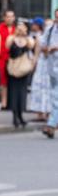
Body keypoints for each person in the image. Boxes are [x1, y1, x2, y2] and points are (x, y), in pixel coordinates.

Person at [5, 20, 35, 128]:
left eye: (23, 27)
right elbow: (7, 46)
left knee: (22, 92)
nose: (20, 29)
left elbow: (31, 45)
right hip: (13, 68)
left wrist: (25, 35)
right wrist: (15, 35)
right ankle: (14, 116)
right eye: (18, 27)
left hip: (23, 68)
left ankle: (21, 115)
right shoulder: (11, 38)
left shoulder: (29, 39)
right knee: (13, 92)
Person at [28, 16, 51, 122]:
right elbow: (36, 52)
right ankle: (39, 113)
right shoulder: (40, 37)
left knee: (49, 88)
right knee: (38, 87)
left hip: (52, 65)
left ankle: (49, 112)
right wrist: (33, 65)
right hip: (41, 65)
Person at [40, 8, 58, 138]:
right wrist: (47, 49)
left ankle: (51, 124)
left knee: (57, 98)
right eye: (56, 17)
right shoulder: (50, 29)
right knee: (54, 97)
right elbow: (42, 46)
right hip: (52, 68)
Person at [0, 8, 16, 109]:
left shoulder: (16, 29)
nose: (10, 18)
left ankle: (5, 102)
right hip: (1, 57)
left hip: (12, 58)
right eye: (8, 16)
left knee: (7, 82)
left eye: (11, 16)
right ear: (4, 18)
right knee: (0, 80)